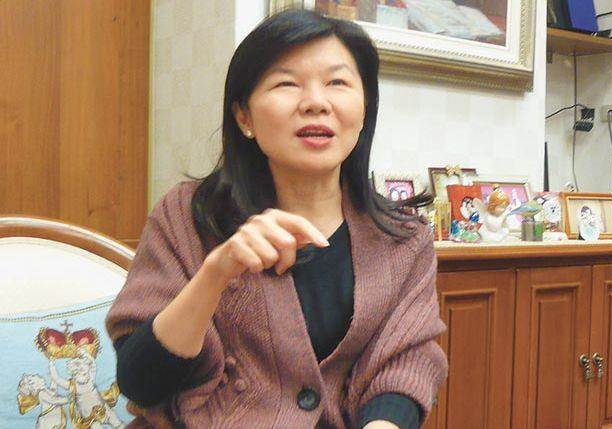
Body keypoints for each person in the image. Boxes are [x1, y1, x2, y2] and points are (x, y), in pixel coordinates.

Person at [105, 8, 447, 429]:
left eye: (337, 83)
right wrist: (217, 272)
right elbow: (140, 382)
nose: (316, 103)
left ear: (364, 110)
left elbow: (406, 361)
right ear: (244, 117)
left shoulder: (403, 237)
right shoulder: (186, 215)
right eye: (287, 83)